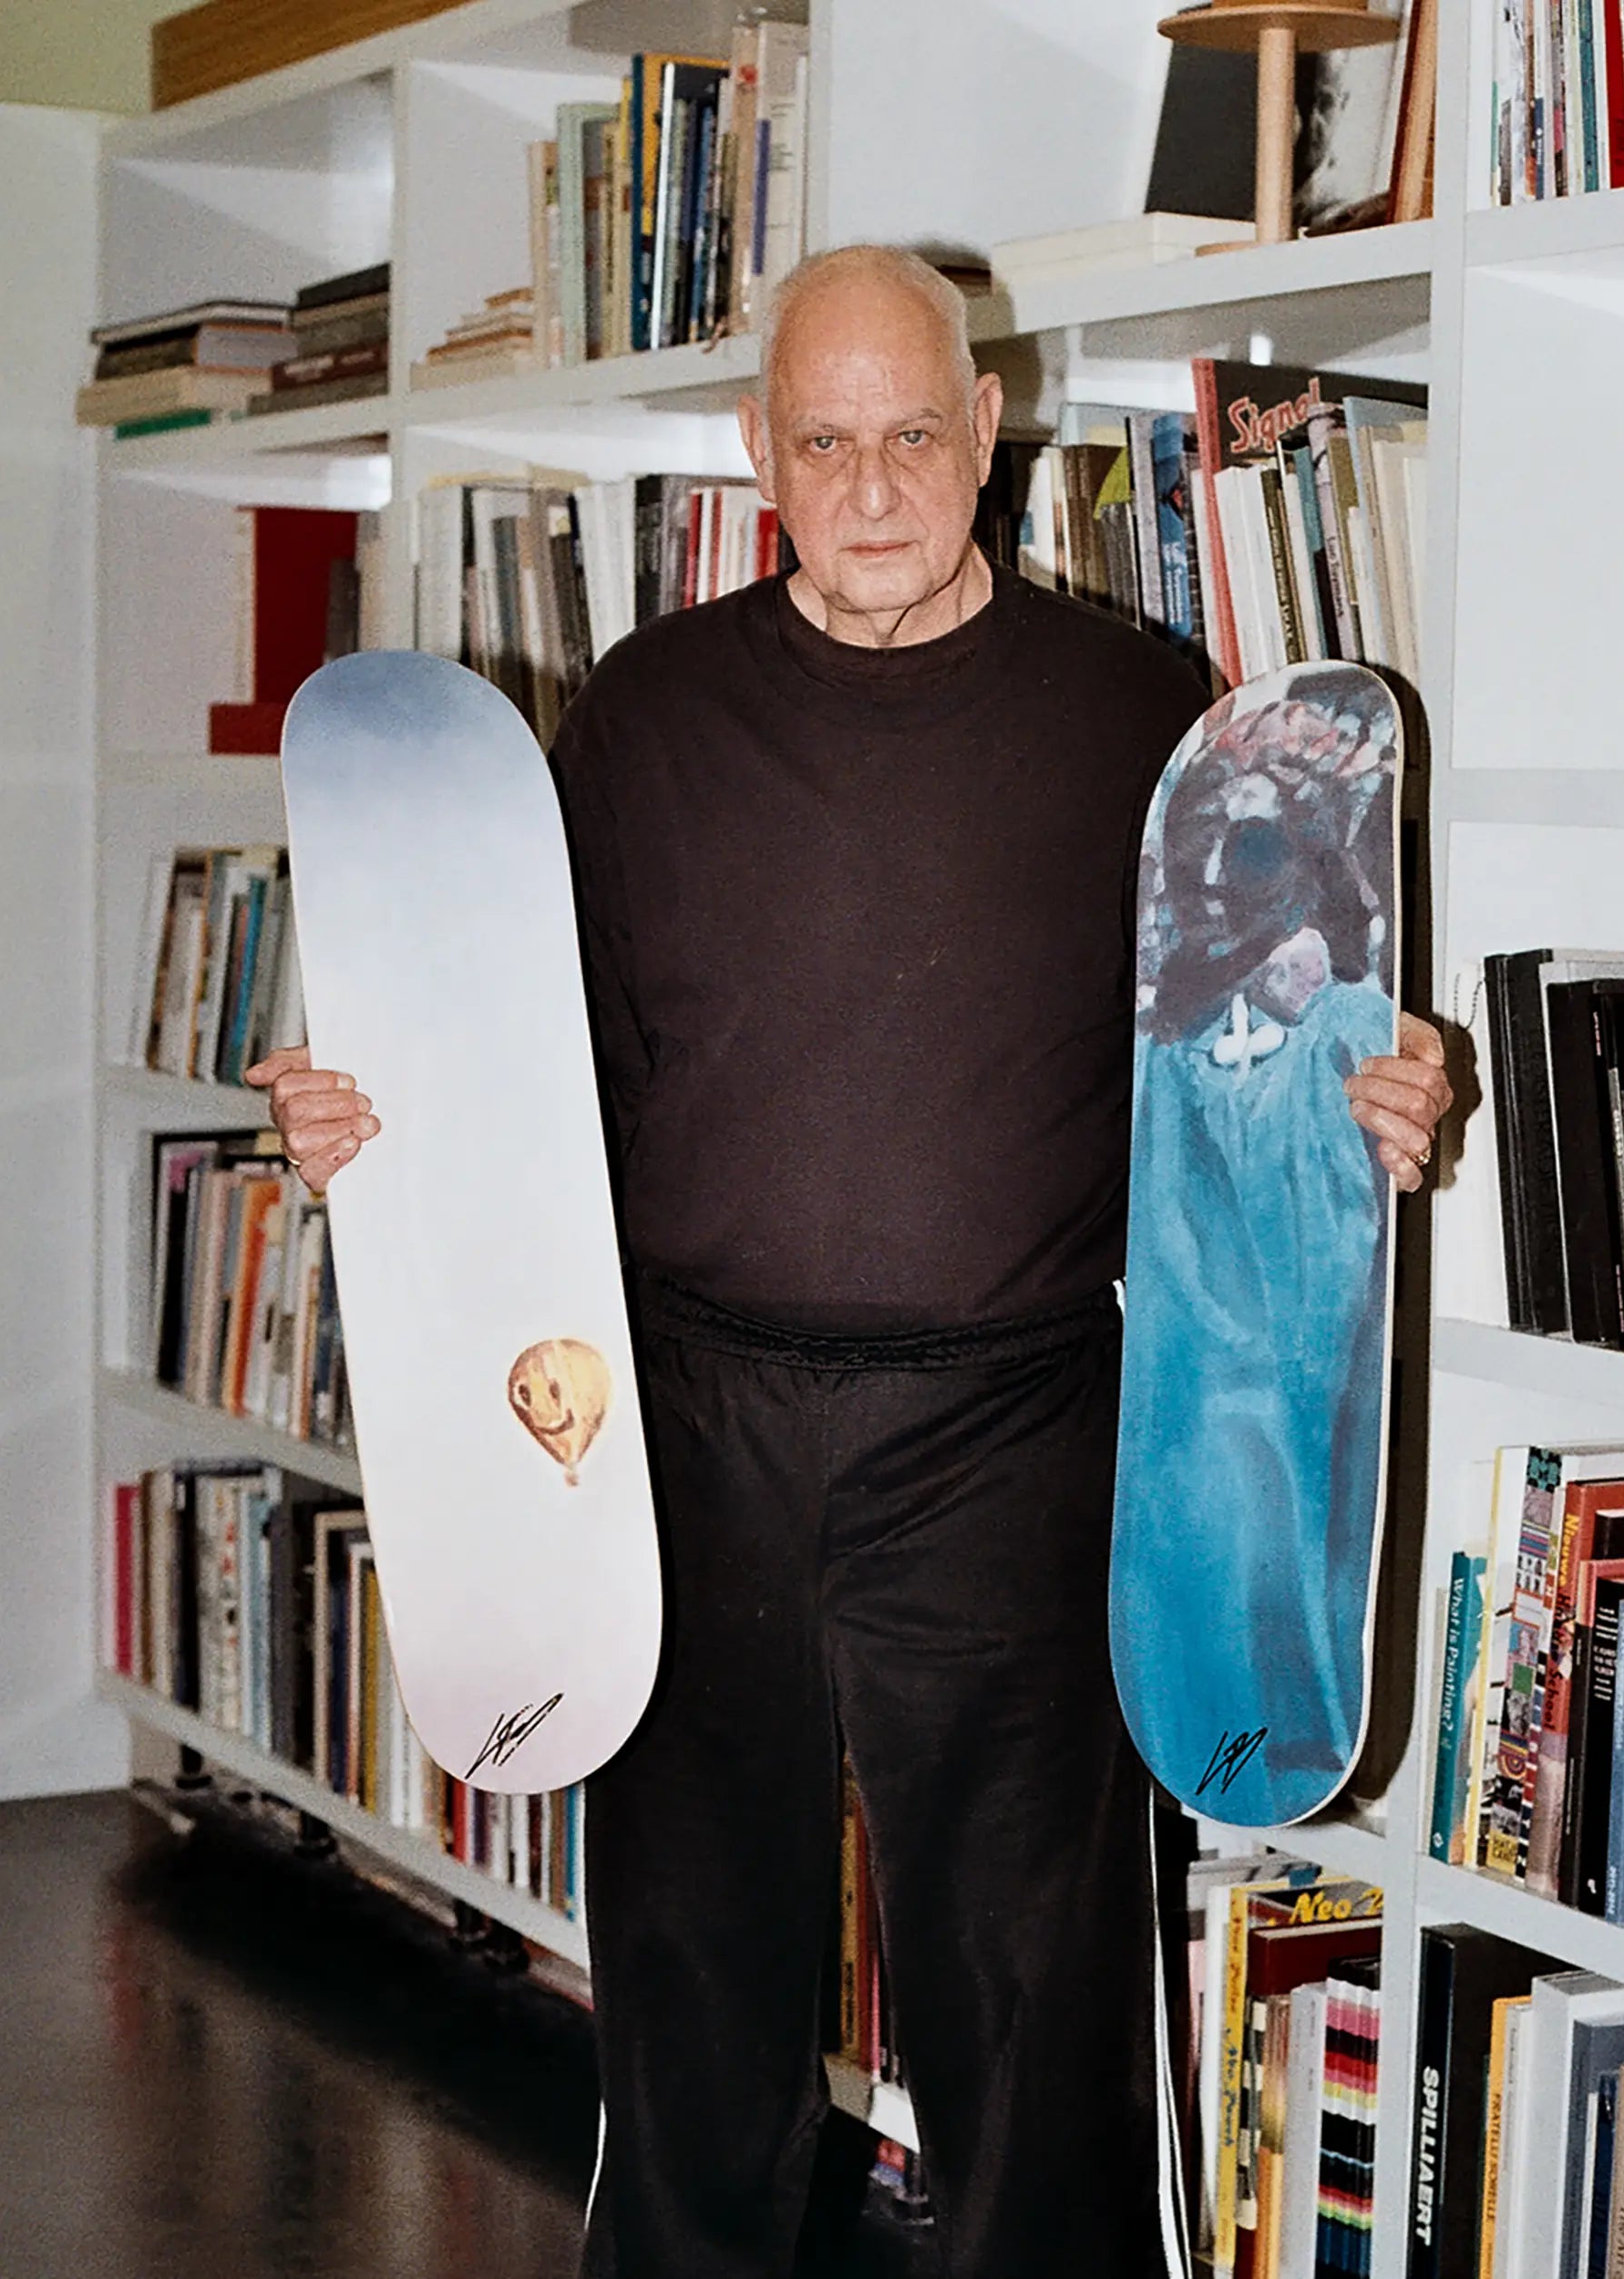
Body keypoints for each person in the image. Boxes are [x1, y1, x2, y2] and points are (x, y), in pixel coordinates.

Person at [248, 243, 1451, 2279]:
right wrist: (366, 1116)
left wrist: (1380, 1096)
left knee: (1034, 2037)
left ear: (991, 432)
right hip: (691, 1426)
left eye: (916, 434)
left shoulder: (1149, 719)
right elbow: (551, 1067)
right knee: (691, 2014)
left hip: (1013, 1436)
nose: (876, 485)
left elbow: (1251, 1060)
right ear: (759, 454)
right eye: (827, 440)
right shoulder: (646, 719)